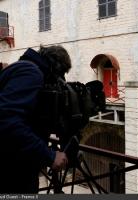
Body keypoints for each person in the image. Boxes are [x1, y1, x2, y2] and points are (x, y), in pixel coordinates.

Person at [0, 45, 71, 193]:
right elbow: (7, 120)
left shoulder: (23, 67)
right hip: (12, 174)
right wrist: (49, 156)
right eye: (62, 74)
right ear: (56, 68)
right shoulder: (31, 73)